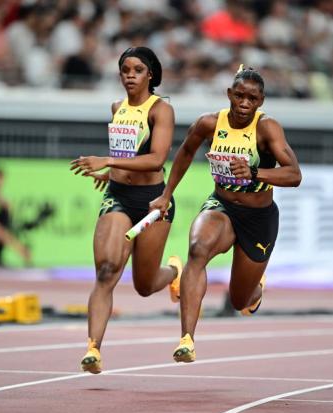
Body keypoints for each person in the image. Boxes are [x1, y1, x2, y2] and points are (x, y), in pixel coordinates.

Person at [150, 66, 302, 363]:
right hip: (222, 207)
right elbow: (183, 153)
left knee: (239, 300)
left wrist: (255, 172)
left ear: (261, 101)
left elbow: (294, 174)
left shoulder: (266, 128)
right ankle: (187, 340)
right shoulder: (209, 123)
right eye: (240, 96)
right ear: (229, 95)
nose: (244, 103)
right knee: (198, 249)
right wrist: (166, 194)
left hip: (259, 218)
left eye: (252, 99)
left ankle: (256, 290)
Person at [70, 47, 182, 374]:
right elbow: (126, 154)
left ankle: (174, 271)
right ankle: (93, 348)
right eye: (125, 70)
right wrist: (110, 174)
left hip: (152, 202)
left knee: (145, 286)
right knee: (106, 271)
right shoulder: (116, 107)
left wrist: (106, 160)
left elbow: (157, 158)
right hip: (117, 196)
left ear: (151, 75)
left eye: (137, 70)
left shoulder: (161, 110)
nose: (130, 75)